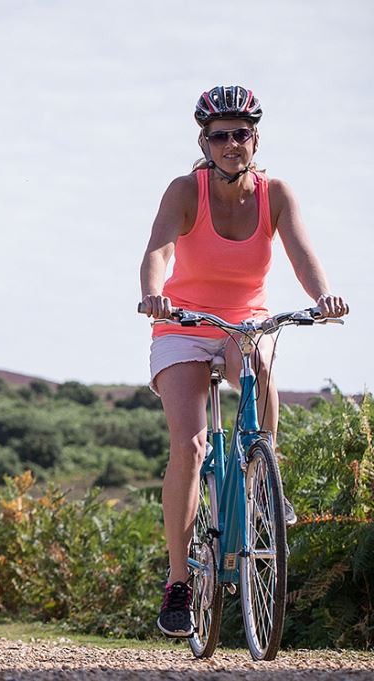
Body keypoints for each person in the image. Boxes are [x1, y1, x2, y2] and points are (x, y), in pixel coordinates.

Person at [138, 85, 349, 638]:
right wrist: (154, 292)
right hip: (183, 322)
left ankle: (263, 481)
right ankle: (180, 580)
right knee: (190, 443)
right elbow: (158, 248)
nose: (233, 143)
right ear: (204, 142)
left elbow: (302, 252)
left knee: (260, 370)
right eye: (221, 136)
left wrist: (323, 295)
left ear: (256, 137)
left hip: (243, 320)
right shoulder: (187, 190)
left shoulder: (275, 193)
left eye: (242, 133)